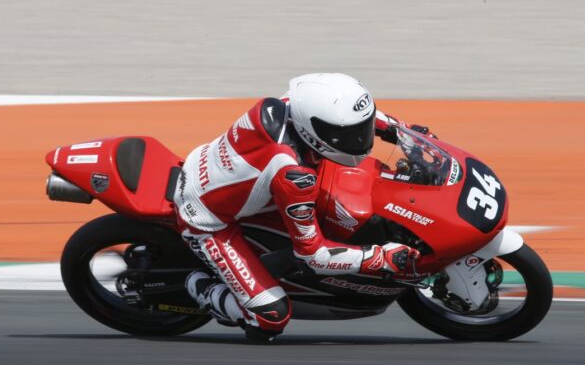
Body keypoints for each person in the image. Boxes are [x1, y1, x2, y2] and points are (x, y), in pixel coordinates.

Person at [174, 73, 426, 341]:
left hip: (217, 171)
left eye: (360, 130)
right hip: (206, 218)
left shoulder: (291, 105)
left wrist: (402, 132)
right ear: (314, 131)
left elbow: (356, 117)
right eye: (348, 135)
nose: (360, 139)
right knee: (270, 318)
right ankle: (201, 285)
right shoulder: (294, 174)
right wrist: (380, 258)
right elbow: (313, 255)